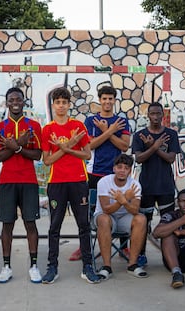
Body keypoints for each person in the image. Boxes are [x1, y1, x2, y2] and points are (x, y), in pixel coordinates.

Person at [41, 86, 100, 284]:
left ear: (69, 105)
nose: (61, 106)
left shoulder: (78, 127)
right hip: (56, 183)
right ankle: (52, 267)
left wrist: (65, 147)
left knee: (83, 225)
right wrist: (67, 146)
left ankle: (88, 267)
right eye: (57, 102)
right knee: (54, 227)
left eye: (64, 102)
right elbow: (47, 161)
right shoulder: (48, 129)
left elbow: (87, 154)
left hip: (78, 181)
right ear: (53, 105)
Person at [69, 85, 131, 261]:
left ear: (114, 100)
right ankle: (84, 247)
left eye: (110, 98)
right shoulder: (90, 121)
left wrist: (106, 131)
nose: (107, 101)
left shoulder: (122, 121)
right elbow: (90, 145)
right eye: (104, 98)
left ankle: (123, 247)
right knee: (87, 212)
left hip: (117, 174)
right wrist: (111, 131)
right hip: (94, 172)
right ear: (100, 100)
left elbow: (124, 146)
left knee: (121, 207)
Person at [0, 87, 43, 283]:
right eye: (11, 99)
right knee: (7, 224)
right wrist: (15, 147)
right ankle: (6, 266)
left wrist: (17, 147)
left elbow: (38, 155)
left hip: (29, 181)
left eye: (18, 99)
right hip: (7, 181)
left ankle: (34, 265)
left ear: (23, 102)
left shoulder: (33, 127)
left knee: (31, 223)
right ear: (6, 103)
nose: (15, 102)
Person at [132, 102, 181, 265]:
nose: (155, 117)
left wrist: (153, 147)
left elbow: (170, 158)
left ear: (162, 115)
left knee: (167, 222)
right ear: (148, 115)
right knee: (144, 223)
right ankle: (141, 255)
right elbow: (139, 158)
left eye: (158, 114)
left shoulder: (171, 135)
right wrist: (154, 147)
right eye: (152, 114)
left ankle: (168, 256)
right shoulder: (139, 135)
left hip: (166, 186)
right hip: (146, 186)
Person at [94, 154, 148, 280]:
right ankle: (107, 266)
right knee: (103, 219)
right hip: (106, 216)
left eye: (126, 168)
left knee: (141, 219)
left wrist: (123, 201)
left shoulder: (135, 185)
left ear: (130, 171)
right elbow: (106, 209)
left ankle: (132, 265)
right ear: (114, 169)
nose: (122, 170)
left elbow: (135, 210)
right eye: (119, 167)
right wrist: (123, 200)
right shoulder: (104, 182)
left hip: (125, 216)